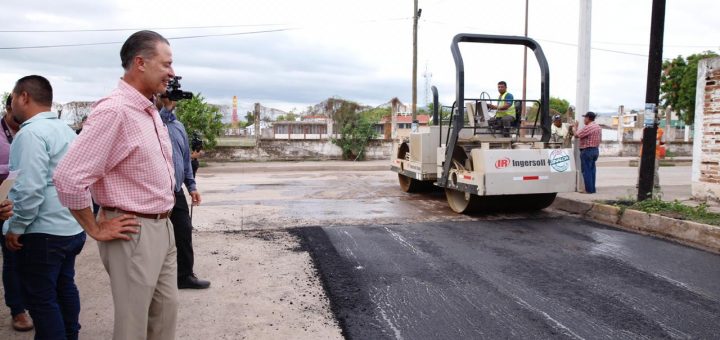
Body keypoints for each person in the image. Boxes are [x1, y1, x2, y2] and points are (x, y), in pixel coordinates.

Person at [53, 30, 178, 340]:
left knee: (165, 315)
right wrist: (94, 228)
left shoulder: (147, 110)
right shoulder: (114, 111)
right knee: (133, 325)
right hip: (133, 231)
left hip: (162, 227)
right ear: (140, 63)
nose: (172, 73)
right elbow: (69, 177)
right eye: (166, 64)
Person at [4, 75, 85, 339]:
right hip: (71, 226)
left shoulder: (30, 134)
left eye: (14, 97)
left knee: (41, 299)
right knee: (64, 287)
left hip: (44, 232)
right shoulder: (66, 131)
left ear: (24, 97)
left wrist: (15, 227)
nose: (13, 103)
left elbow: (29, 189)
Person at [158, 97, 210, 289]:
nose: (170, 100)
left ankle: (184, 275)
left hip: (176, 190)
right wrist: (165, 109)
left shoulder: (178, 126)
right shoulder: (154, 122)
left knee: (184, 231)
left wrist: (192, 186)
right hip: (156, 191)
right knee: (156, 236)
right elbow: (156, 124)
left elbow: (185, 159)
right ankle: (157, 278)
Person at [0, 95, 33, 332]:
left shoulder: (30, 131)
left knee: (13, 259)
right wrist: (13, 169)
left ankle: (18, 309)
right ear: (8, 107)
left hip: (14, 207)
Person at [573, 111, 602, 193]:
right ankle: (592, 189)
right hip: (595, 150)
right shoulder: (598, 127)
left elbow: (576, 135)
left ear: (588, 118)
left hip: (587, 150)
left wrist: (575, 128)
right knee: (592, 170)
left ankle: (589, 190)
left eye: (585, 118)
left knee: (586, 171)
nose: (584, 120)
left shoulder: (589, 127)